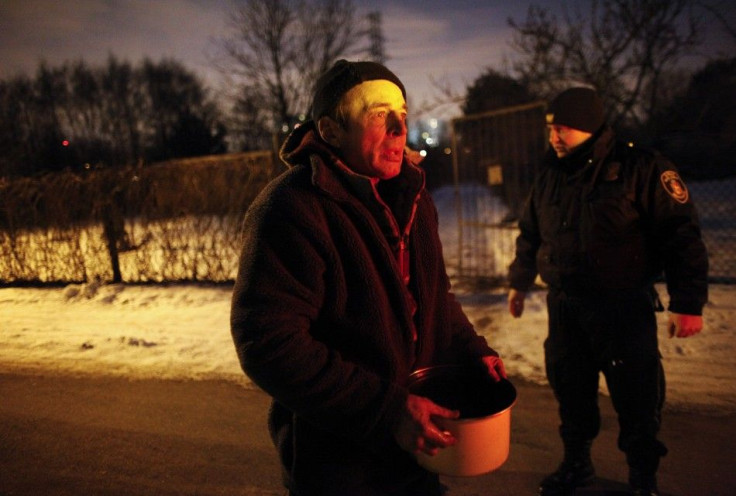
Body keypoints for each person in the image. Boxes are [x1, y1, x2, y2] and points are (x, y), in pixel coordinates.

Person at [230, 59, 507, 496]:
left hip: (416, 450)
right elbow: (268, 343)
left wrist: (471, 350)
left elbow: (435, 295)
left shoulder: (414, 198)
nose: (399, 128)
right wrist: (387, 411)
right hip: (340, 466)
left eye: (402, 114)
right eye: (379, 115)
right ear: (331, 131)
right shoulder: (292, 209)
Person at [507, 87, 708, 496]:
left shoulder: (640, 167)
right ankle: (576, 465)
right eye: (550, 129)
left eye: (562, 129)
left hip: (622, 306)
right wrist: (519, 280)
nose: (554, 137)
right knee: (570, 389)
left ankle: (642, 477)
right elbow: (530, 232)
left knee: (637, 396)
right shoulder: (551, 174)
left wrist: (687, 303)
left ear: (588, 126)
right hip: (565, 306)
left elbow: (681, 235)